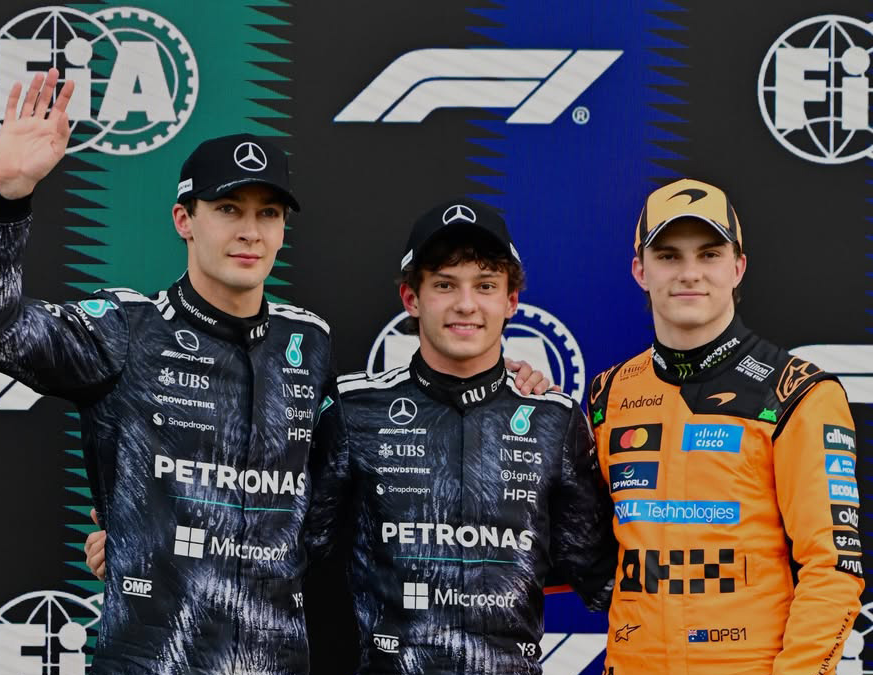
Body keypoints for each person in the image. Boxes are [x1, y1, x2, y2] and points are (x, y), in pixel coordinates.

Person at [0, 69, 548, 675]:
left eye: (268, 213)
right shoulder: (127, 329)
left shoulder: (307, 341)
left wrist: (503, 389)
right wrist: (8, 196)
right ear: (184, 219)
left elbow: (327, 508)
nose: (249, 231)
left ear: (284, 229)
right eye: (227, 209)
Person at [89, 199, 618, 673]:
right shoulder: (354, 409)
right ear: (411, 298)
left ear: (512, 301)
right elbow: (278, 532)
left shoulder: (554, 420)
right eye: (444, 285)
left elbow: (600, 572)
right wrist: (147, 545)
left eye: (485, 286)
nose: (465, 304)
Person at [588, 179, 865, 675]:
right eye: (668, 256)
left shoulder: (796, 392)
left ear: (737, 268)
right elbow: (578, 546)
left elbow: (833, 568)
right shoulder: (609, 395)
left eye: (709, 254)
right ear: (640, 271)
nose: (689, 273)